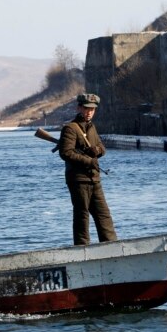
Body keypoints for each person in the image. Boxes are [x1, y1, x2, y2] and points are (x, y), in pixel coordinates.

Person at [59, 93, 118, 246]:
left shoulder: (92, 127)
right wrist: (89, 161)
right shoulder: (70, 128)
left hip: (94, 179)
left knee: (104, 215)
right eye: (86, 108)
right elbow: (66, 153)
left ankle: (111, 246)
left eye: (92, 109)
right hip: (78, 180)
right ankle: (82, 249)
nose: (89, 112)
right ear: (79, 108)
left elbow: (102, 148)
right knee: (82, 216)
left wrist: (97, 150)